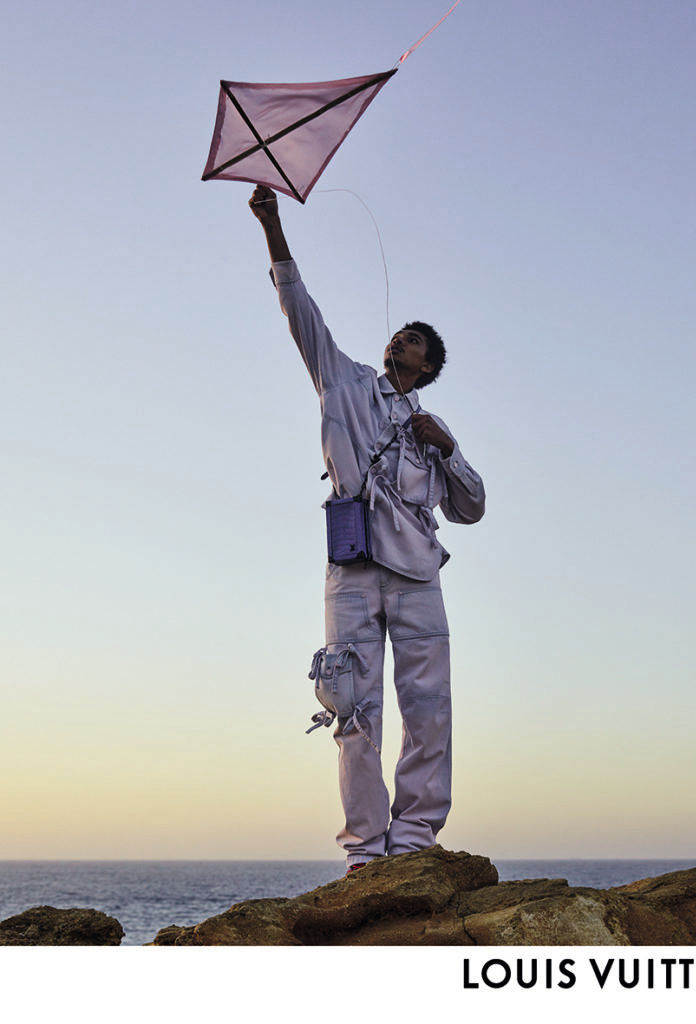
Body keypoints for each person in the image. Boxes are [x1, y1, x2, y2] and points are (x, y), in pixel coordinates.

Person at [249, 184, 485, 872]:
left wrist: (443, 446)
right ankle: (364, 850)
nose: (397, 340)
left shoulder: (433, 429)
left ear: (427, 367)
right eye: (397, 334)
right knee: (350, 707)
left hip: (415, 574)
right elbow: (301, 312)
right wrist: (272, 227)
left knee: (428, 707)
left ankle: (413, 839)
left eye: (410, 340)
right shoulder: (345, 383)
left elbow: (470, 508)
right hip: (350, 570)